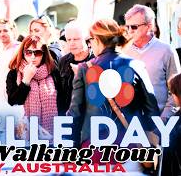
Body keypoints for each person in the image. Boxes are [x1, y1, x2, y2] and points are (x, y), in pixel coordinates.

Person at [67, 19, 160, 152]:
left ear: (97, 40)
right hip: (131, 145)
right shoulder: (136, 65)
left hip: (94, 147)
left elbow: (75, 114)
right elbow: (152, 109)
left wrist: (71, 149)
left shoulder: (84, 68)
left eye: (90, 40)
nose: (90, 44)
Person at [123, 4, 181, 120]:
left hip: (160, 123)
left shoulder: (166, 50)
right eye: (127, 27)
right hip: (129, 124)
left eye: (134, 27)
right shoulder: (123, 52)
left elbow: (176, 89)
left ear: (149, 26)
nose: (129, 31)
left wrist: (164, 119)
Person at [6, 35, 62, 134]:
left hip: (53, 134)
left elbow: (62, 103)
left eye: (38, 52)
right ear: (23, 53)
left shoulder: (53, 72)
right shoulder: (14, 73)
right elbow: (13, 101)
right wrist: (26, 80)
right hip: (25, 133)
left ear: (44, 54)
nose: (33, 57)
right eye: (28, 52)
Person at [58, 20, 93, 115]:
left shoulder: (97, 60)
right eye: (69, 40)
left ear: (86, 40)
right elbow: (60, 95)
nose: (72, 43)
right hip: (68, 118)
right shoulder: (63, 61)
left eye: (76, 39)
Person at [161, 71, 181, 175]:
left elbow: (169, 157)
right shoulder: (177, 119)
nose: (172, 97)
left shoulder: (178, 124)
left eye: (172, 93)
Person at [0, 19, 20, 101]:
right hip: (1, 101)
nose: (2, 34)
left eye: (5, 30)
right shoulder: (2, 50)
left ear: (13, 31)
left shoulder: (18, 48)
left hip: (14, 102)